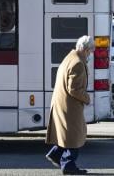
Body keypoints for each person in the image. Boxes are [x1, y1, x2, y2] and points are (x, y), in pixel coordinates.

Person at [45, 35, 94, 175]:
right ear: (85, 49)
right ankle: (68, 165)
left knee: (67, 134)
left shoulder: (69, 57)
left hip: (63, 103)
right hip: (69, 106)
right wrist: (87, 98)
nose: (90, 54)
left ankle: (55, 154)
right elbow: (74, 89)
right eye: (90, 51)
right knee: (75, 136)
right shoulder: (77, 63)